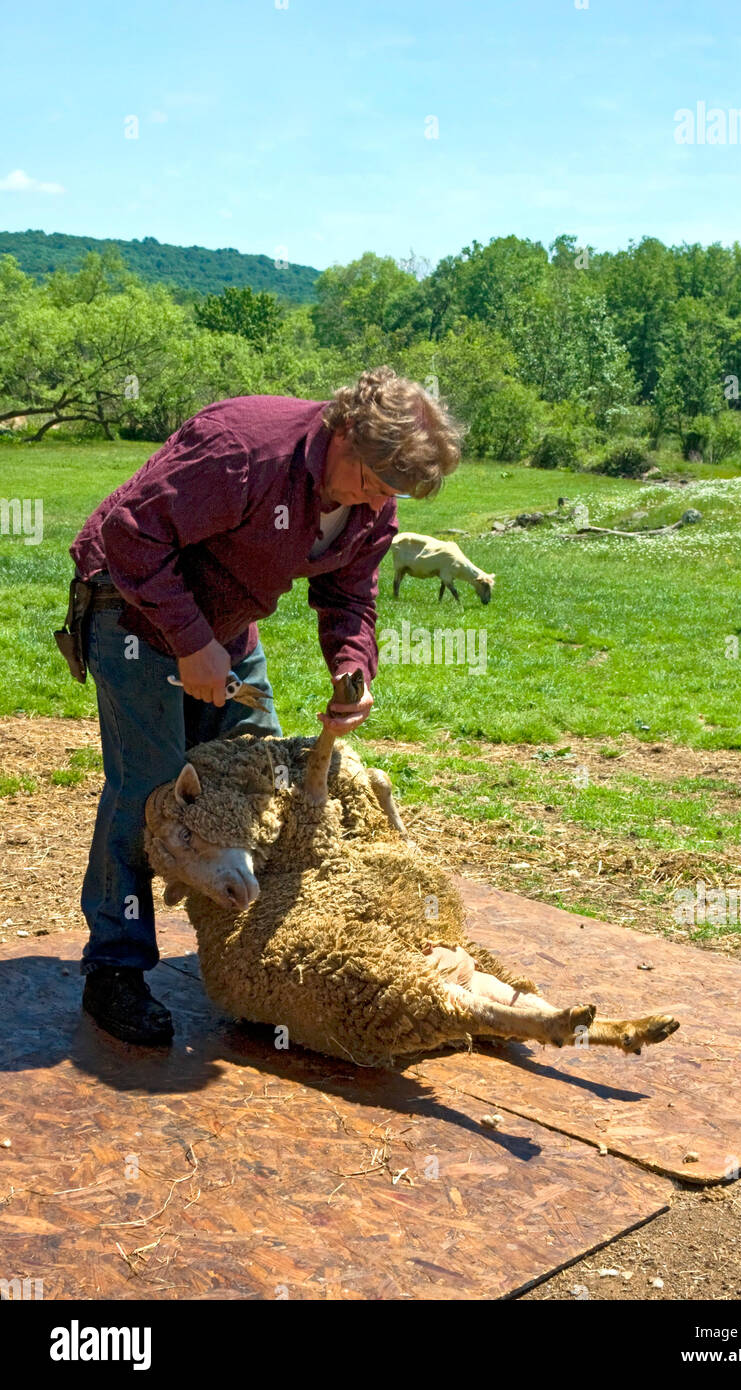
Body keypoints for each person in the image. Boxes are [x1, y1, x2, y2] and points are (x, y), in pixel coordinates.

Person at [64, 367, 461, 1045]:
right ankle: (115, 971)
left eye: (390, 493)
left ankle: (256, 963)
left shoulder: (372, 502)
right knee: (154, 792)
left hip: (226, 624)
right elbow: (133, 536)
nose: (375, 502)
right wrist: (190, 644)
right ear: (345, 433)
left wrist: (352, 669)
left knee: (268, 778)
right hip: (128, 611)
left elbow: (349, 598)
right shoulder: (243, 450)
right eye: (370, 480)